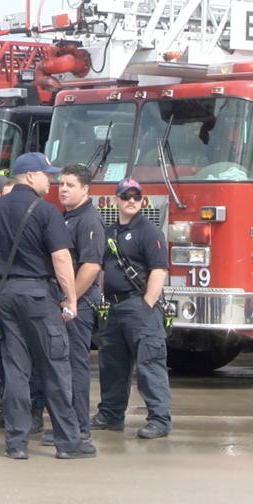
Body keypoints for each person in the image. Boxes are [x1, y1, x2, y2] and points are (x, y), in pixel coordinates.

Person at [0, 152, 95, 460]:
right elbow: (61, 257)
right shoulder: (46, 211)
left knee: (15, 371)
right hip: (39, 296)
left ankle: (16, 442)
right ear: (29, 176)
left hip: (7, 295)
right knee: (55, 368)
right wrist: (71, 298)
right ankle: (69, 443)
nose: (50, 181)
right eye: (46, 175)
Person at [92, 178, 172, 439]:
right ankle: (111, 414)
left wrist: (147, 303)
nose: (131, 201)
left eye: (136, 197)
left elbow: (159, 269)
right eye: (126, 196)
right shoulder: (110, 232)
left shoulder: (149, 231)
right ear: (116, 200)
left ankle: (159, 420)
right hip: (113, 308)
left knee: (149, 363)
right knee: (112, 364)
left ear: (142, 200)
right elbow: (104, 269)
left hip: (138, 306)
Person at [37, 164, 105, 445]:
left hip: (80, 303)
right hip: (66, 301)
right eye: (61, 184)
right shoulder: (68, 217)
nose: (62, 189)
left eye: (70, 185)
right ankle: (68, 423)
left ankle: (78, 425)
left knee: (75, 365)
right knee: (62, 364)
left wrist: (70, 300)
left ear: (85, 189)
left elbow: (91, 265)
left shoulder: (88, 220)